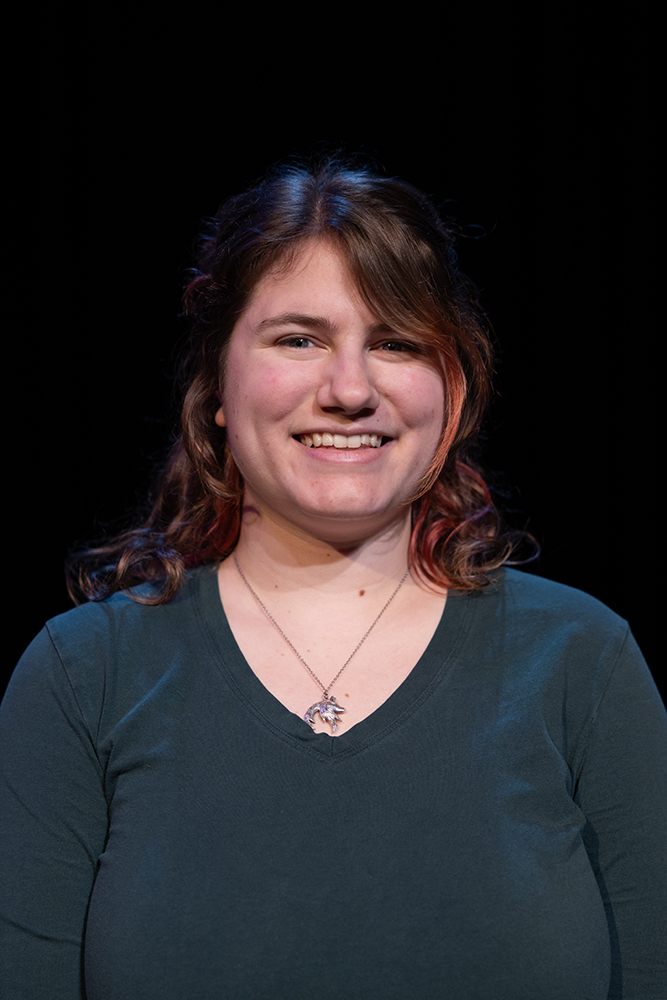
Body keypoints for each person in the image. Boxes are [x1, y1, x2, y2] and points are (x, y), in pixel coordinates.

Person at [1, 157, 665, 1000]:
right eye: (297, 339)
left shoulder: (581, 664)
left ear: (452, 387)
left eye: (395, 342)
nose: (349, 389)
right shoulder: (81, 677)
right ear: (216, 382)